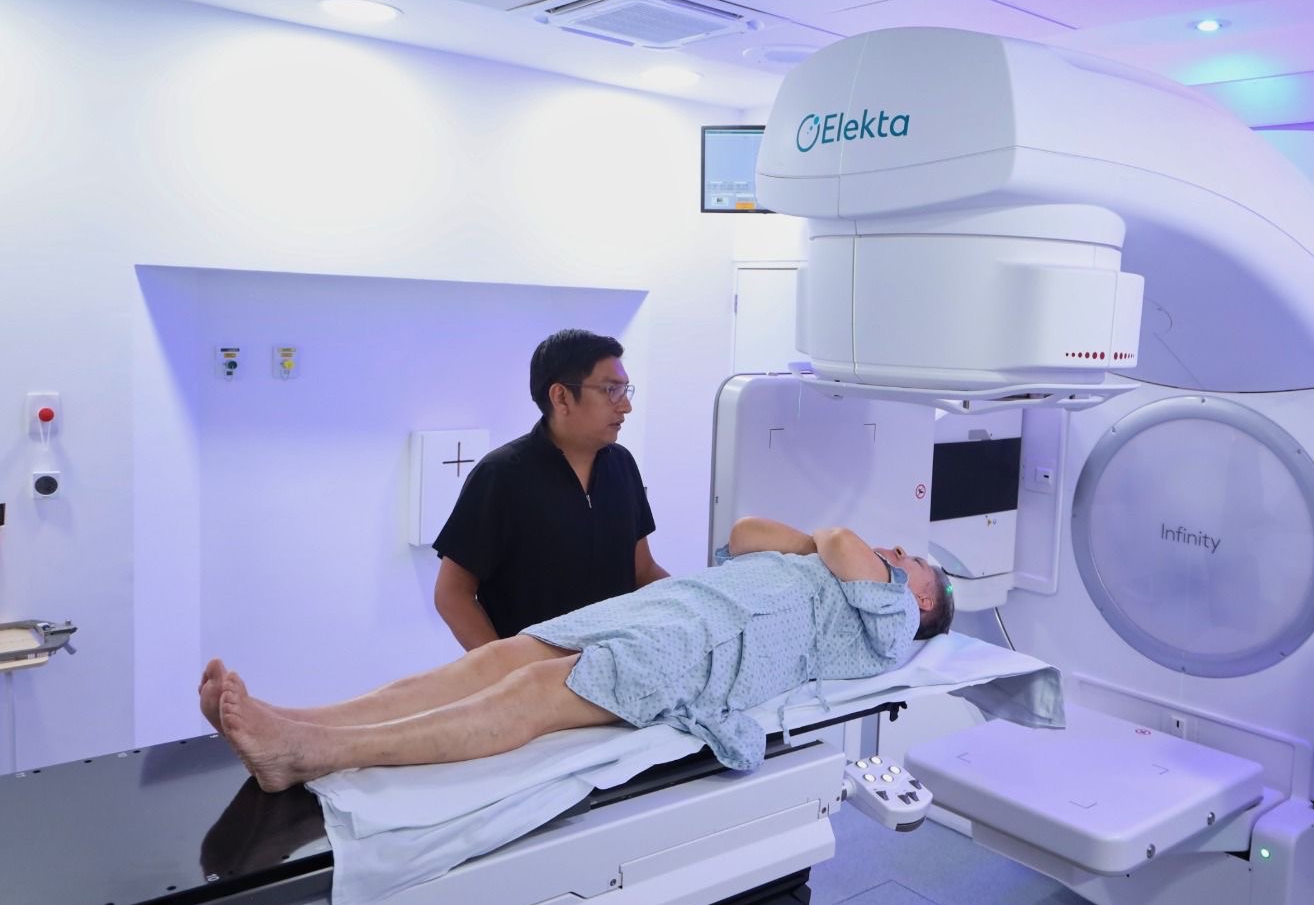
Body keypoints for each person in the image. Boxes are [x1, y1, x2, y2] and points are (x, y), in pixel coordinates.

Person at [200, 518, 955, 792]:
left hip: (710, 646)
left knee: (536, 691)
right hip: (677, 605)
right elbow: (747, 532)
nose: (897, 552)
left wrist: (829, 543)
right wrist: (820, 545)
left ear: (924, 600)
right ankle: (302, 720)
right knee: (498, 658)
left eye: (913, 562)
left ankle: (315, 754)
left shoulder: (892, 621)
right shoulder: (842, 572)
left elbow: (841, 540)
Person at [432, 329, 669, 650]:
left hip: (614, 668)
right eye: (610, 390)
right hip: (535, 672)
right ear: (561, 397)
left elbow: (643, 570)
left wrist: (694, 608)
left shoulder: (622, 465)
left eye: (625, 390)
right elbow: (452, 594)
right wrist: (502, 667)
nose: (625, 406)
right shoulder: (501, 475)